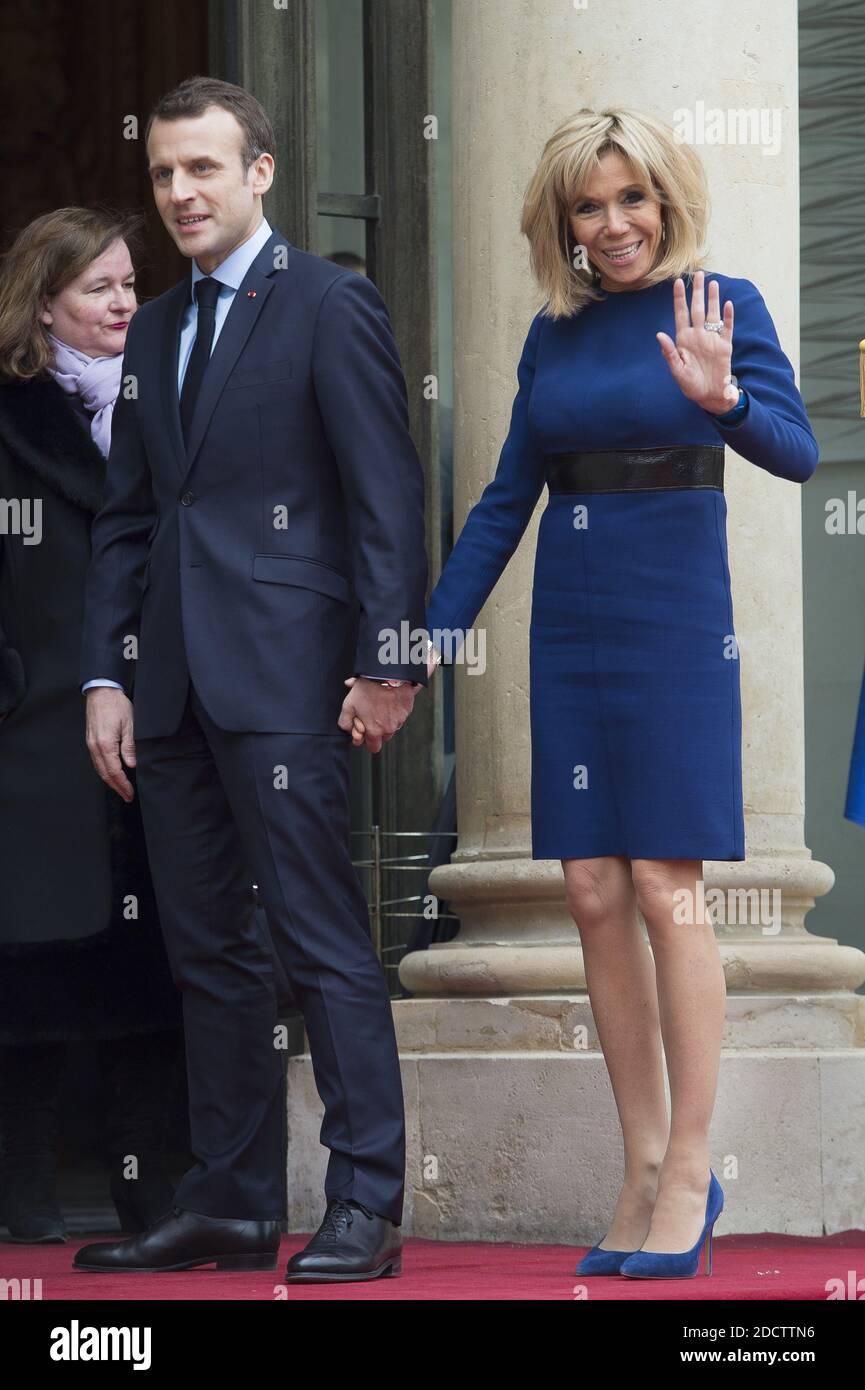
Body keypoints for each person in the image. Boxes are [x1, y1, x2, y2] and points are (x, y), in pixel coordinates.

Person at [418, 107, 817, 1279]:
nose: (613, 224)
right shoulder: (556, 332)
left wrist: (721, 401)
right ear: (563, 225)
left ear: (664, 198)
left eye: (630, 198)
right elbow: (505, 498)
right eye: (588, 207)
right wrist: (427, 633)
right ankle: (639, 1161)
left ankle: (692, 1167)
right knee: (590, 886)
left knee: (662, 883)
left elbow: (794, 450)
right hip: (572, 623)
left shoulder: (721, 302)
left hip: (677, 623)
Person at [73, 76, 428, 1281]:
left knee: (324, 944)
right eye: (165, 172)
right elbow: (126, 518)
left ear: (259, 172)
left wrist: (388, 661)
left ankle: (365, 1201)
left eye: (203, 170)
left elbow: (388, 496)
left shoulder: (331, 303)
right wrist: (102, 678)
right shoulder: (158, 328)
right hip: (164, 690)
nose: (178, 192)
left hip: (288, 680)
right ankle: (228, 1199)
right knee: (208, 954)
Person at [0, 207, 182, 1243]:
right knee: (26, 968)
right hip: (30, 731)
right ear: (43, 302)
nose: (123, 303)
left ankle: (151, 1194)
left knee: (148, 964)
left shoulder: (163, 404)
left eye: (130, 285)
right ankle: (20, 1192)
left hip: (157, 719)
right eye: (100, 288)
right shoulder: (10, 413)